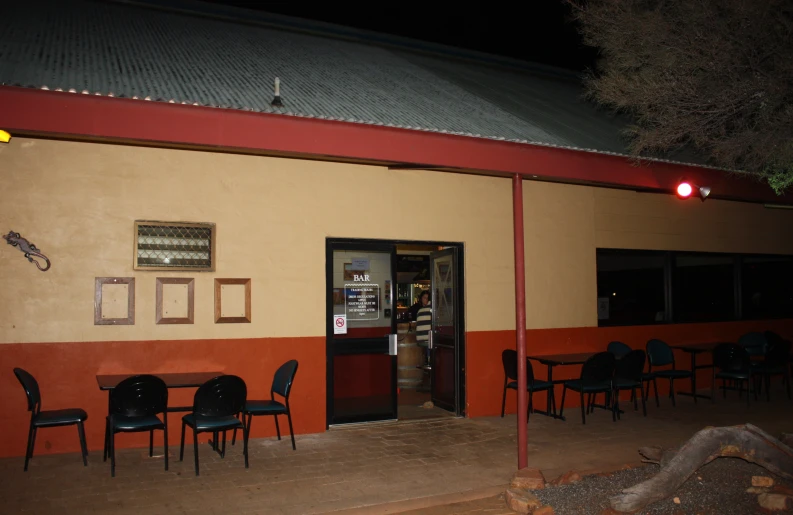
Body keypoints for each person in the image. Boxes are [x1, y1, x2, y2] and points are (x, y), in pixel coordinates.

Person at [415, 295, 432, 365]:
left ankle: (427, 360)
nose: (426, 300)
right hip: (428, 339)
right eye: (424, 298)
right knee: (431, 342)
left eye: (426, 298)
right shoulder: (432, 309)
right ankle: (429, 361)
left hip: (419, 339)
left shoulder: (419, 311)